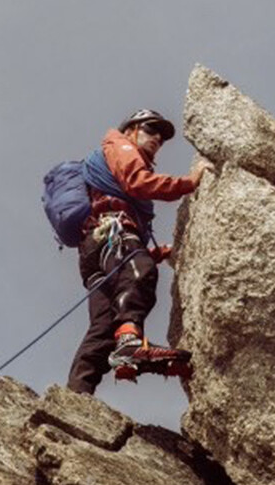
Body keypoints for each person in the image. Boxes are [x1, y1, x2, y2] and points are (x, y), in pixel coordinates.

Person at [67, 109, 213, 395]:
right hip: (113, 232)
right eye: (150, 129)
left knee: (104, 326)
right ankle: (130, 343)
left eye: (162, 135)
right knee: (140, 271)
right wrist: (190, 182)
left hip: (95, 247)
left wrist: (162, 252)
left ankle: (76, 395)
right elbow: (139, 183)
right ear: (131, 129)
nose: (158, 137)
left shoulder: (112, 156)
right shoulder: (121, 147)